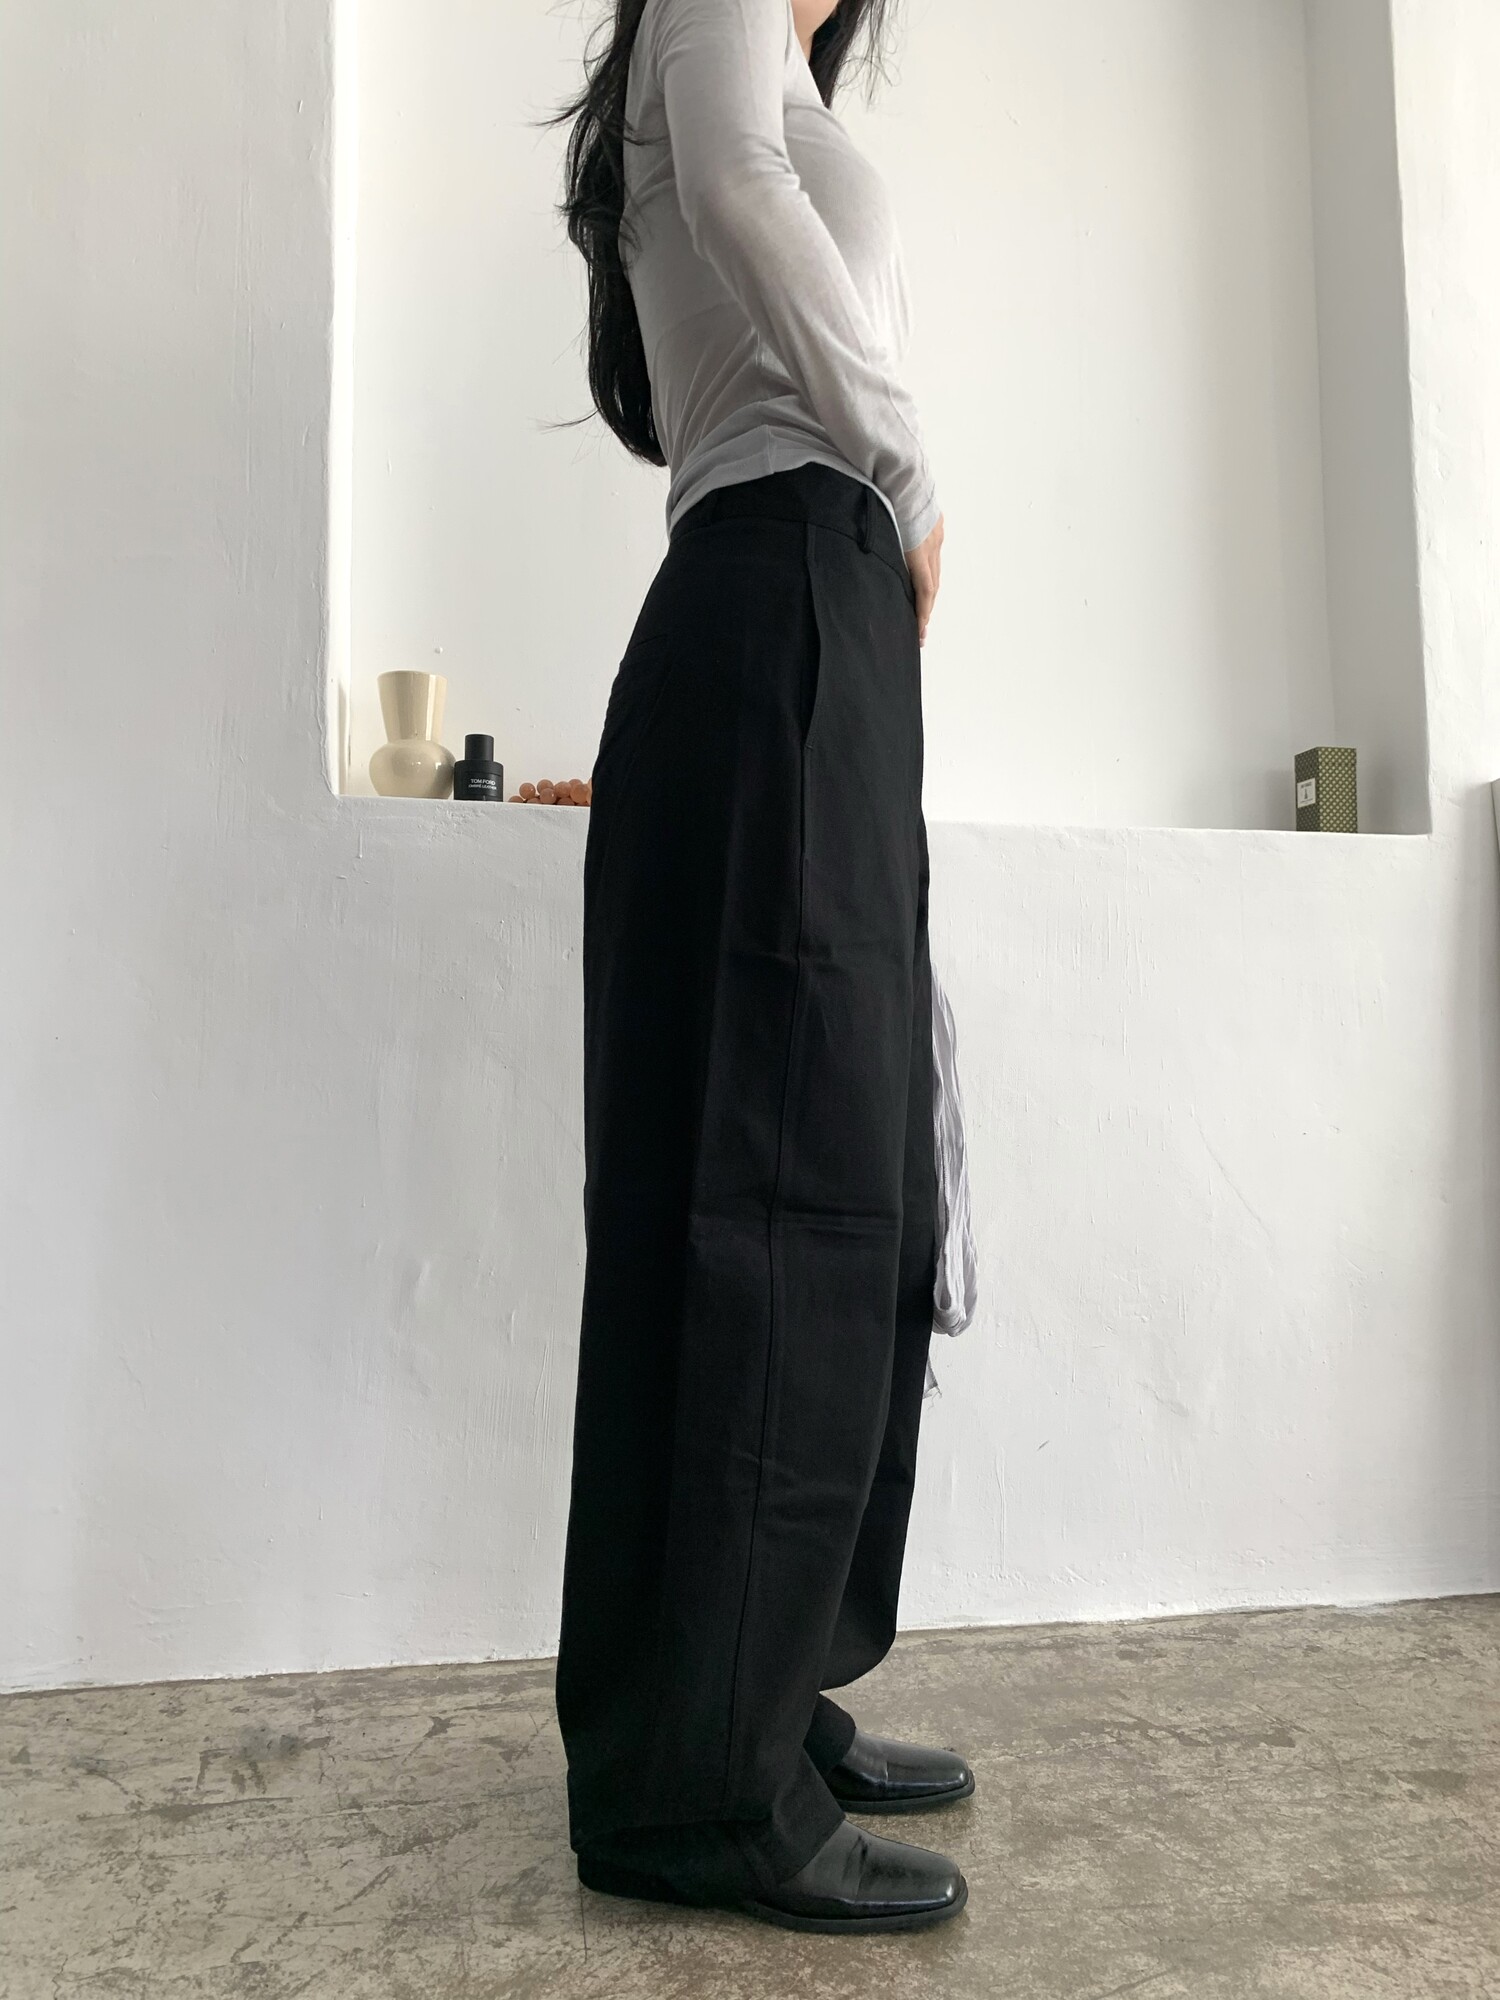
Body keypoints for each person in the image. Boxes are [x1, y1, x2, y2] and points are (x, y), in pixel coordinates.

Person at [547, 0, 969, 1935]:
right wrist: (911, 478)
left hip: (809, 610)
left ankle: (751, 1695)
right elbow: (726, 185)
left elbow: (749, 179)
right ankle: (697, 1787)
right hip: (783, 583)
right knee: (770, 1193)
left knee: (844, 1190)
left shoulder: (789, 69)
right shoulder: (707, 22)